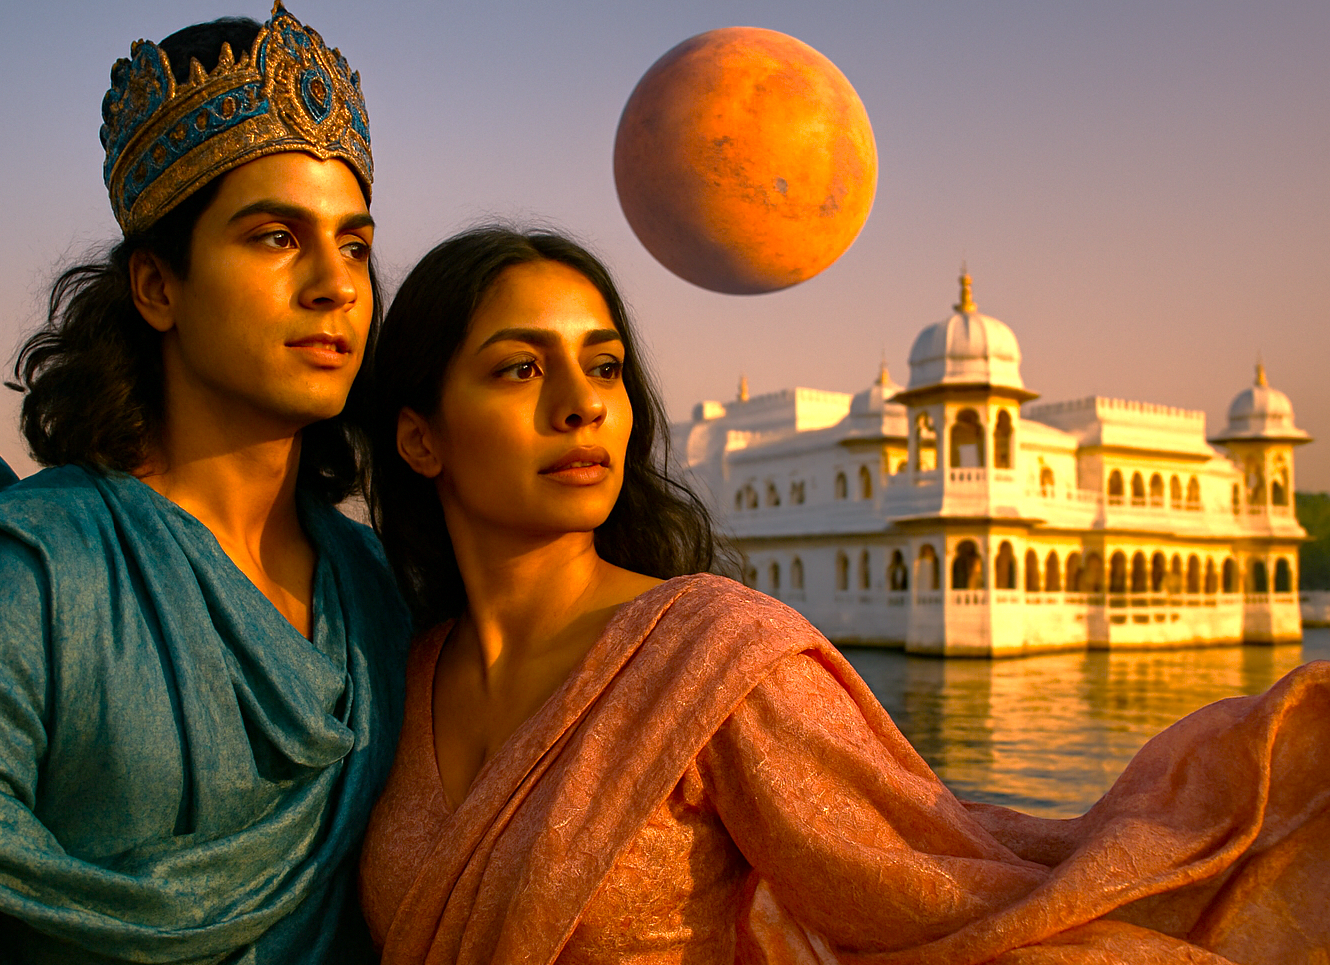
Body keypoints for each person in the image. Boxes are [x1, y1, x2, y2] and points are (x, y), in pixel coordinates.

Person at [357, 226, 1330, 964]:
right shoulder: (393, 672)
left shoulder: (713, 658)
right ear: (418, 438)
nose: (582, 403)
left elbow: (939, 906)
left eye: (604, 366)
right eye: (521, 367)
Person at [0, 4, 409, 963]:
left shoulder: (379, 591)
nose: (338, 284)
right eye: (276, 237)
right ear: (157, 287)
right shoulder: (39, 567)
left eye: (354, 244)